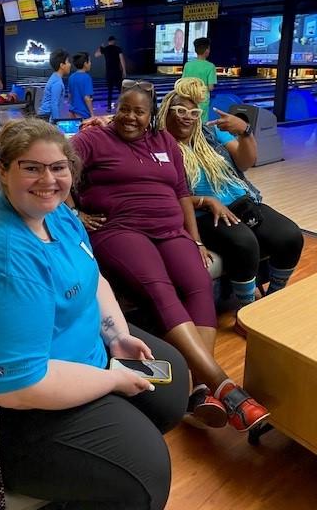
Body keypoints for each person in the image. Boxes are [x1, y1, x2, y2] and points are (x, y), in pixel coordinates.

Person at [0, 118, 189, 510]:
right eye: (31, 168)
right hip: (8, 409)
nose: (48, 180)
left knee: (172, 383)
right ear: (3, 170)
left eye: (58, 168)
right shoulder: (3, 257)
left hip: (74, 356)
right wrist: (109, 379)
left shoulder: (57, 213)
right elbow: (16, 387)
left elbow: (91, 275)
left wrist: (114, 335)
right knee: (145, 477)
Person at [70, 81, 270, 432]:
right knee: (161, 287)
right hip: (119, 229)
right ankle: (226, 387)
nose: (130, 117)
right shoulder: (93, 139)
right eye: (124, 108)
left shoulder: (164, 142)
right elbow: (58, 168)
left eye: (139, 111)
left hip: (170, 229)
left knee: (197, 282)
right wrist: (76, 213)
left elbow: (181, 195)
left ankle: (202, 391)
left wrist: (194, 241)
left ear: (150, 116)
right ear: (116, 107)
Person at [158, 77, 304, 327]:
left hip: (242, 202)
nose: (188, 117)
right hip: (203, 214)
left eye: (194, 112)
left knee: (290, 236)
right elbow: (164, 194)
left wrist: (244, 131)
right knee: (244, 244)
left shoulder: (210, 132)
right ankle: (245, 314)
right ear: (166, 111)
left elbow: (245, 162)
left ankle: (272, 297)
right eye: (181, 111)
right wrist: (206, 201)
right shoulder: (157, 144)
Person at [182, 37, 217, 121]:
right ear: (207, 50)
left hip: (189, 99)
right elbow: (211, 87)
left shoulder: (188, 65)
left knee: (189, 122)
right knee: (201, 125)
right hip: (202, 101)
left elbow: (182, 83)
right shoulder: (210, 66)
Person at [95, 36, 127, 112]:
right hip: (117, 73)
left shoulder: (105, 49)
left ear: (108, 41)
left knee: (110, 91)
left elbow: (96, 54)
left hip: (109, 73)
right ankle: (122, 106)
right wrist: (124, 71)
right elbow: (122, 60)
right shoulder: (118, 48)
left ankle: (109, 107)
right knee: (121, 90)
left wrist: (100, 47)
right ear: (114, 41)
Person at [38, 48, 70, 122]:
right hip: (47, 117)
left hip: (45, 116)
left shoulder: (54, 76)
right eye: (68, 62)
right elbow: (54, 104)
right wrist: (56, 122)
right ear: (62, 65)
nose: (70, 65)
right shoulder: (57, 82)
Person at [68, 51, 94, 119]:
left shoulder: (71, 77)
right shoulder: (87, 77)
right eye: (90, 61)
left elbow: (70, 96)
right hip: (83, 113)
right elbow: (87, 98)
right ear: (85, 64)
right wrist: (92, 114)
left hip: (72, 112)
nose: (90, 63)